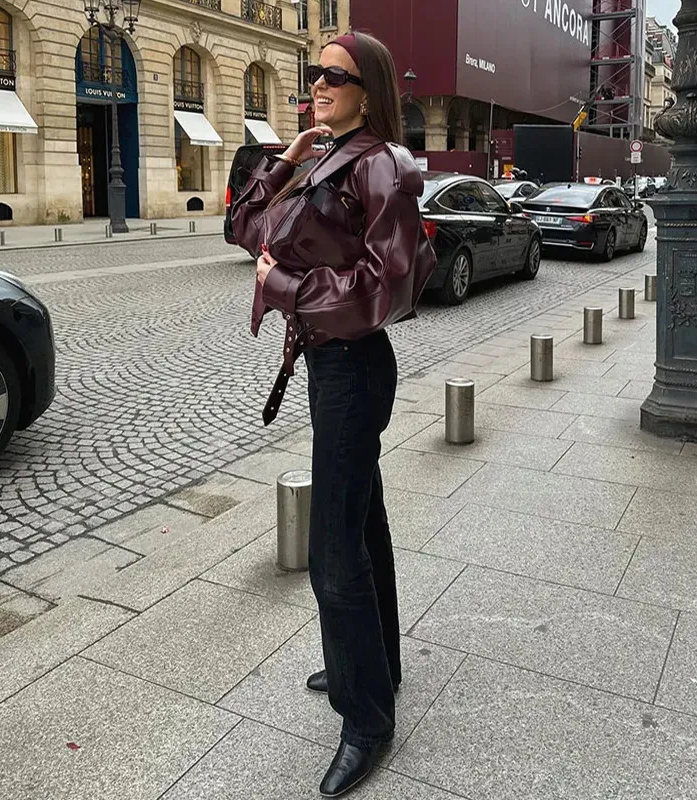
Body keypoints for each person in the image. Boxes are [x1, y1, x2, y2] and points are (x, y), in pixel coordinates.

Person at [232, 31, 436, 798]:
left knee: (333, 552)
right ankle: (375, 664)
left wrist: (285, 288)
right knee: (363, 524)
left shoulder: (384, 163)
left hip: (354, 368)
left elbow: (388, 290)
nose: (316, 83)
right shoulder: (327, 156)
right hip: (329, 365)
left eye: (333, 75)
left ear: (368, 90)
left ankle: (366, 721)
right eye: (313, 72)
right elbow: (245, 230)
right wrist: (286, 158)